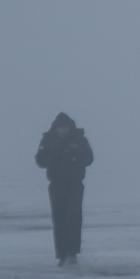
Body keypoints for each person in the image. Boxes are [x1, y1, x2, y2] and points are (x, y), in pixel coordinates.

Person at [34, 112, 94, 266]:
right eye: (60, 128)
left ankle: (72, 253)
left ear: (70, 127)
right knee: (59, 219)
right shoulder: (48, 139)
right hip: (56, 185)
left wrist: (75, 157)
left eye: (65, 127)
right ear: (56, 128)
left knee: (73, 218)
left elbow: (89, 158)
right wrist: (53, 158)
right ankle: (61, 255)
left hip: (74, 184)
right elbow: (40, 160)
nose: (63, 130)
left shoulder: (79, 139)